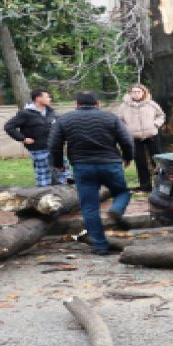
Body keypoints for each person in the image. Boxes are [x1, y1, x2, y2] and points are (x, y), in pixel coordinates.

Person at [48, 91, 134, 256]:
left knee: (89, 207)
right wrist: (128, 157)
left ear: (77, 103)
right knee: (122, 192)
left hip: (82, 166)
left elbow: (54, 144)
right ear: (97, 103)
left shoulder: (64, 119)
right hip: (111, 164)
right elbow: (126, 140)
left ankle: (100, 246)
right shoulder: (111, 117)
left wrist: (58, 164)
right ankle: (116, 208)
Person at [4, 87, 65, 187]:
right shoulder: (25, 113)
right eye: (47, 97)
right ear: (38, 98)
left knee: (63, 174)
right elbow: (9, 127)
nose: (50, 99)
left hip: (55, 149)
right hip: (38, 149)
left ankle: (66, 197)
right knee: (43, 177)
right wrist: (23, 138)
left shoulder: (51, 112)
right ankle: (44, 197)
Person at [116, 84, 166, 193]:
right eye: (134, 92)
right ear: (130, 93)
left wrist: (156, 124)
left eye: (138, 92)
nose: (136, 94)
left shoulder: (151, 104)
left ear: (144, 92)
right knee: (140, 161)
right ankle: (145, 186)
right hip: (134, 137)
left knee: (157, 161)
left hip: (151, 135)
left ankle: (162, 185)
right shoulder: (124, 106)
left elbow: (161, 115)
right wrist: (126, 129)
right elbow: (119, 120)